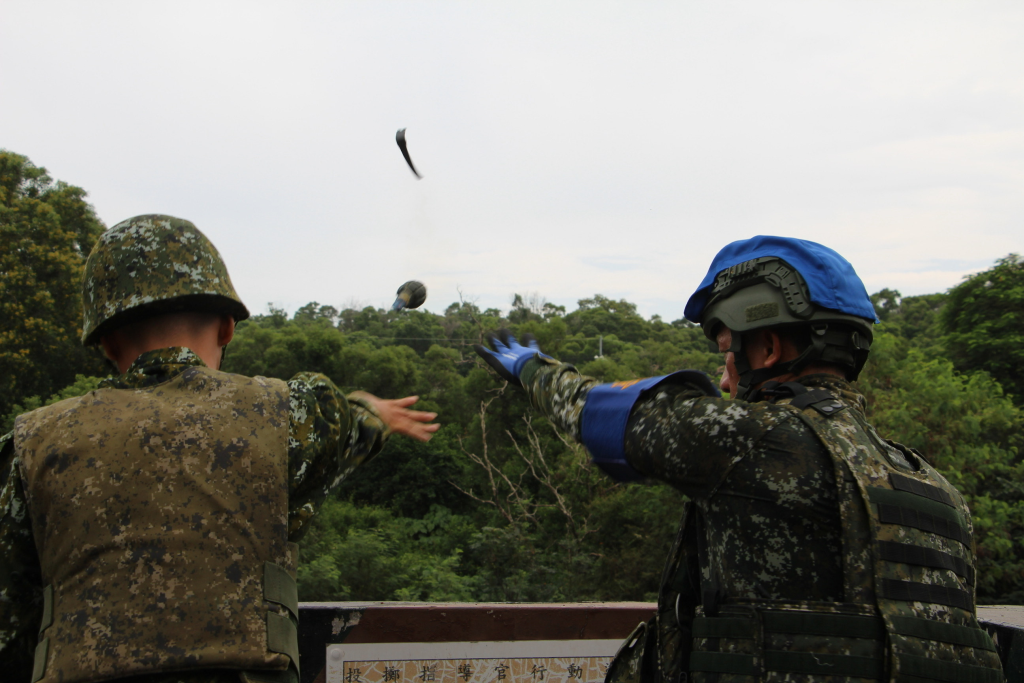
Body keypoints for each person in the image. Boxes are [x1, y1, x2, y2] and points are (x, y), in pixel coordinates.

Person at [475, 236, 1003, 683]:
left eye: (727, 352)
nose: (724, 379)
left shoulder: (757, 438)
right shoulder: (934, 488)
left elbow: (600, 415)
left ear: (768, 349)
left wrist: (532, 371)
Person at [0, 215, 438, 683]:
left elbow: (12, 629)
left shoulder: (31, 444)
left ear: (106, 342)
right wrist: (370, 411)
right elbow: (351, 430)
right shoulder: (290, 416)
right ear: (227, 328)